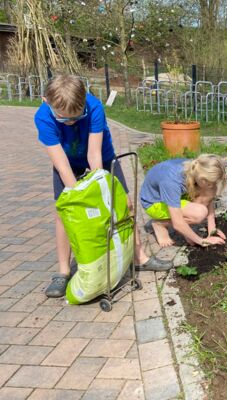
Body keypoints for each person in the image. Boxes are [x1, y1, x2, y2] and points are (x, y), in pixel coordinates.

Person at [35, 74, 173, 298]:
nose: (70, 123)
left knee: (124, 205)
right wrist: (80, 195)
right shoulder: (43, 117)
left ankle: (139, 258)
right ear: (45, 101)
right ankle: (62, 271)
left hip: (103, 160)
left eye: (76, 117)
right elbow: (60, 163)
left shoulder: (94, 107)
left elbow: (94, 153)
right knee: (64, 214)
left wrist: (100, 187)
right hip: (67, 164)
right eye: (63, 119)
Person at [140, 155, 227, 248]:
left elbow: (209, 194)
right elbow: (177, 222)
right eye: (211, 182)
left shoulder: (197, 167)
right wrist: (202, 241)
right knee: (199, 213)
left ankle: (185, 226)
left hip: (172, 193)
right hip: (154, 202)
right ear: (202, 179)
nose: (213, 185)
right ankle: (160, 224)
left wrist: (212, 229)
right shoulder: (172, 182)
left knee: (209, 189)